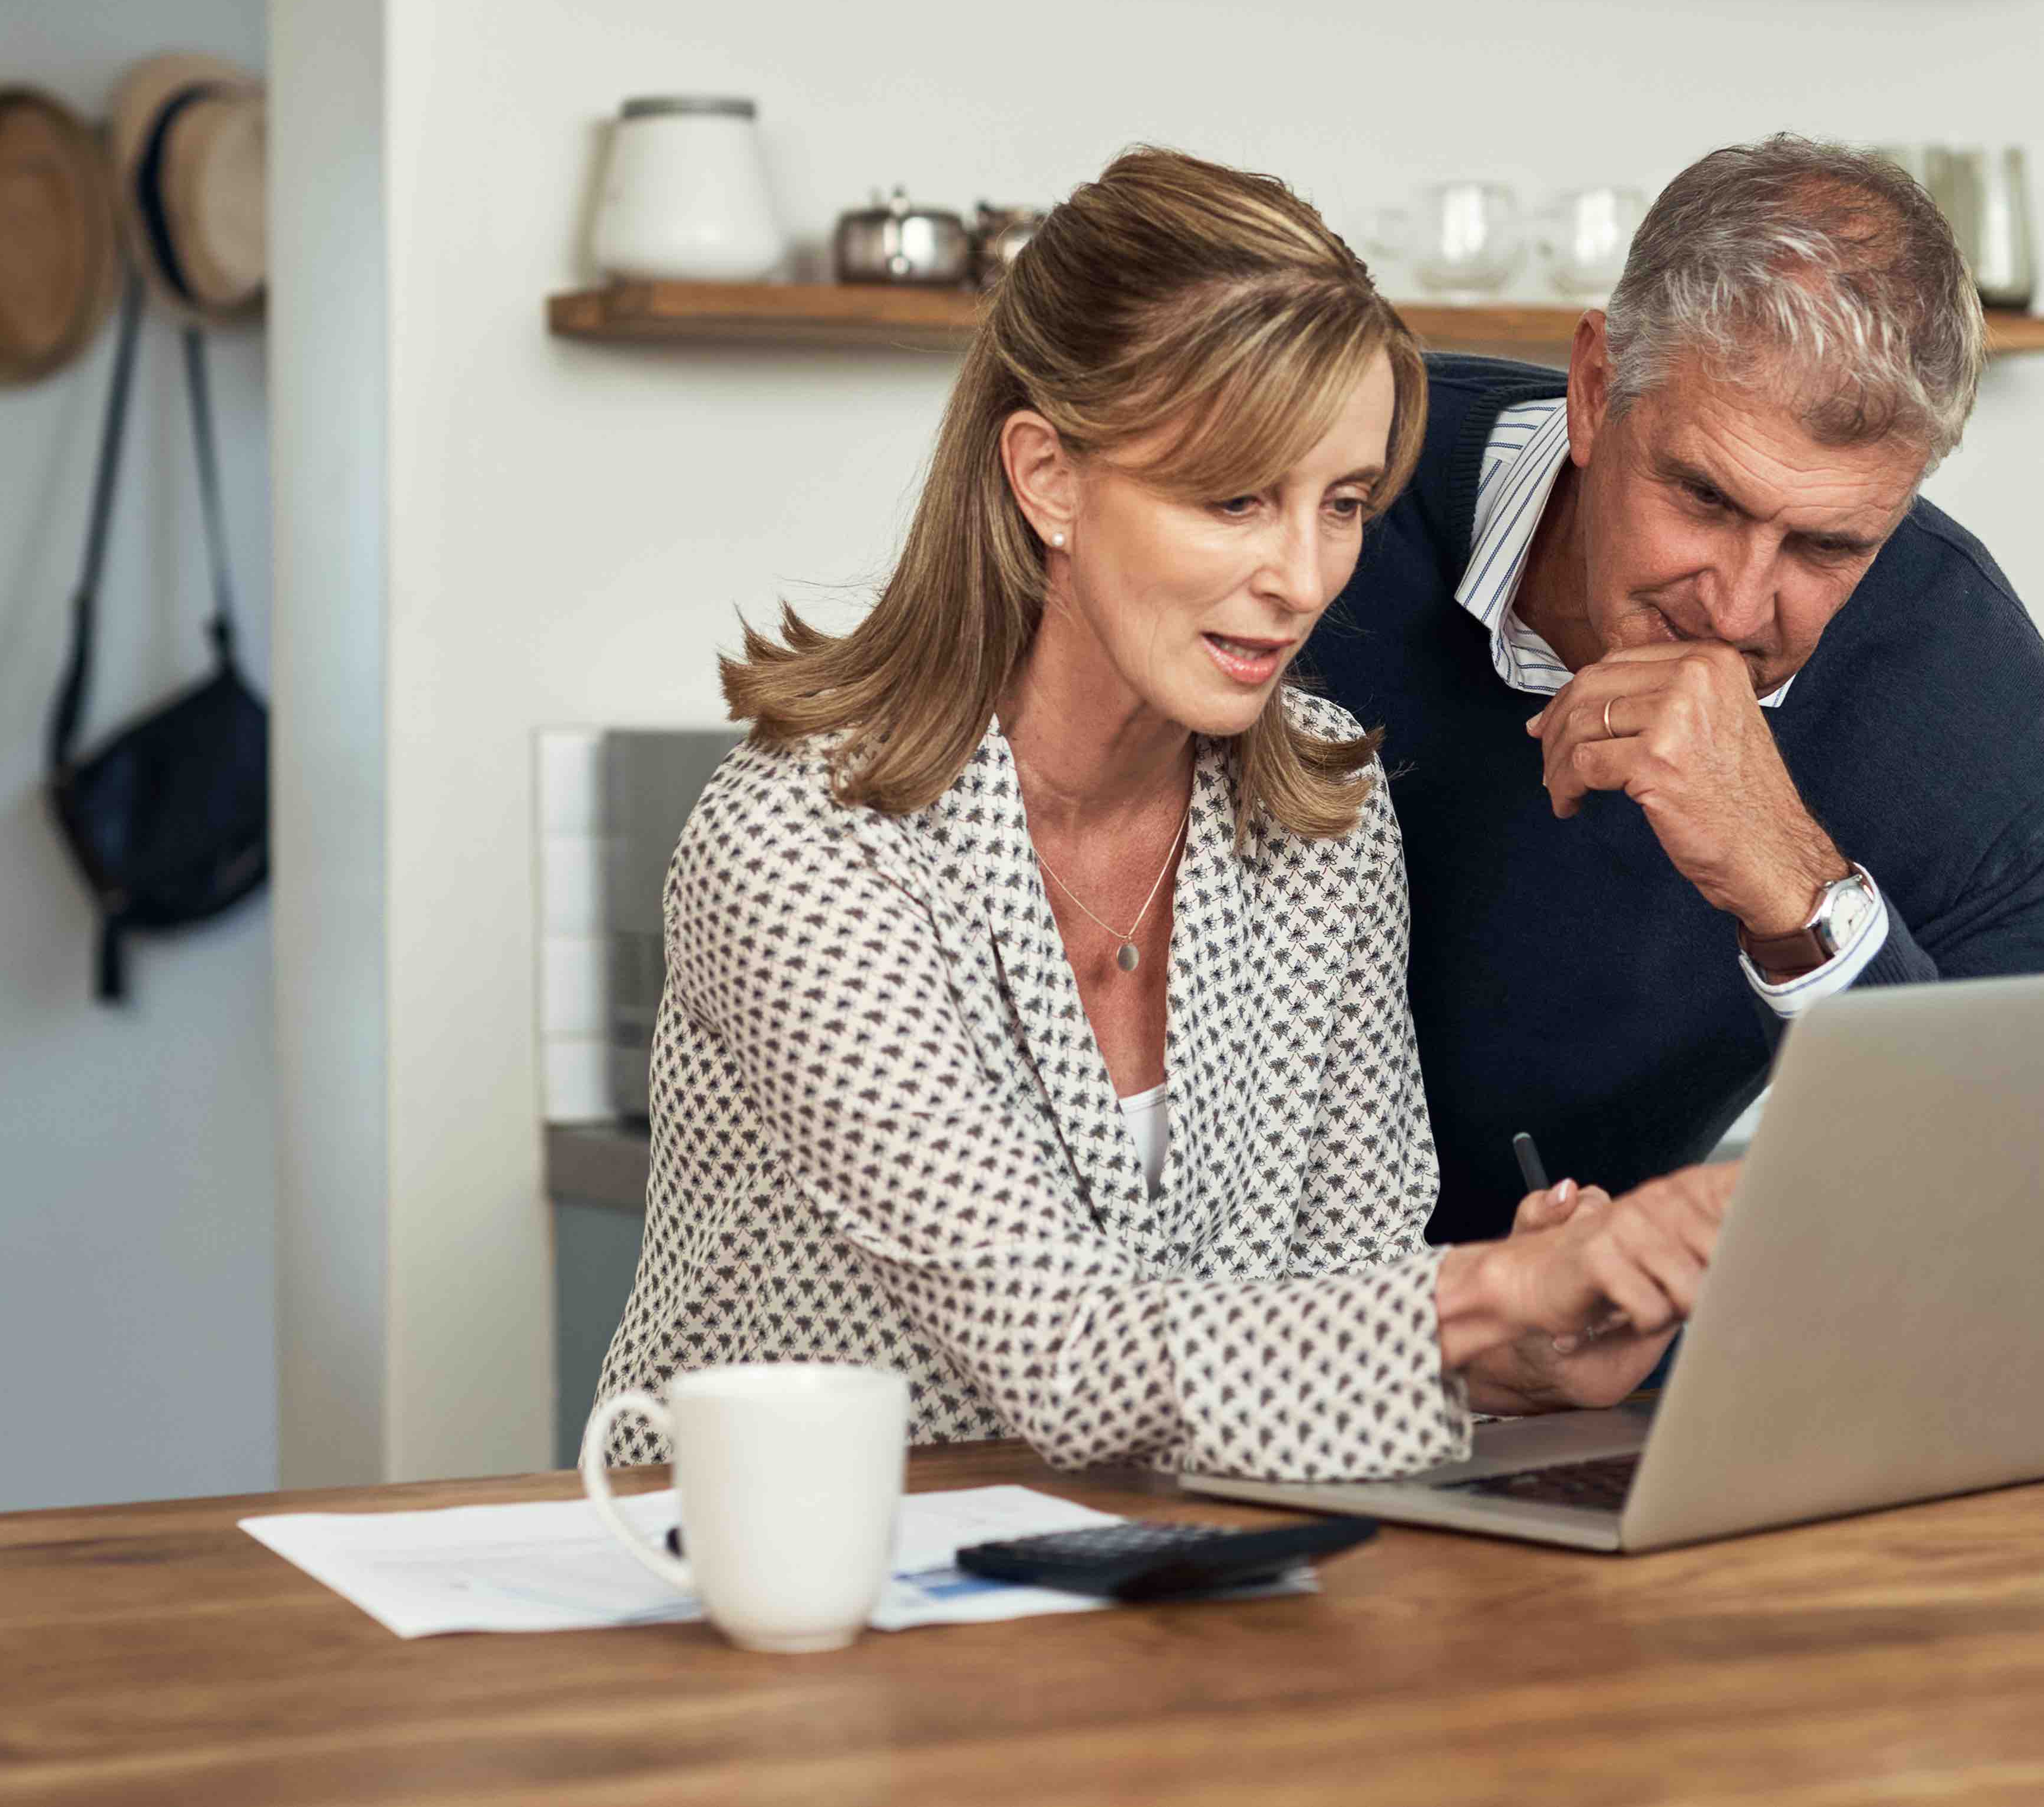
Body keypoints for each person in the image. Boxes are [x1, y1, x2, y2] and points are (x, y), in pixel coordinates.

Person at [595, 148, 1730, 1480]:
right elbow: (1062, 1352)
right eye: (1233, 496)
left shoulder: (1323, 819)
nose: (1302, 576)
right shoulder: (802, 845)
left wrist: (1505, 1361)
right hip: (786, 1594)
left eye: (1344, 503)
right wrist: (1492, 1294)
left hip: (1158, 1594)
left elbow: (1336, 1288)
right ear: (1047, 477)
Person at [1303, 136, 2044, 1246]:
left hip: (1594, 1357)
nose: (1734, 606)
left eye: (1825, 545)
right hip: (1225, 1337)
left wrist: (1797, 892)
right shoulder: (1333, 499)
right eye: (1705, 499)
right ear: (1592, 388)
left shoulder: (1965, 687)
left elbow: (2017, 1203)